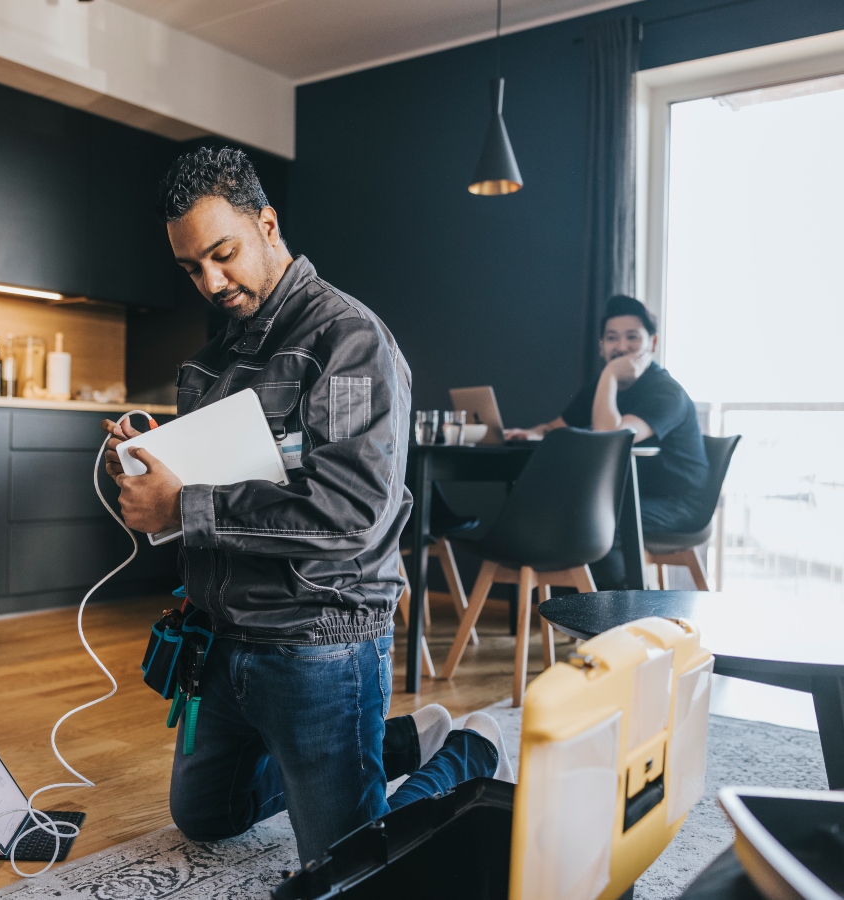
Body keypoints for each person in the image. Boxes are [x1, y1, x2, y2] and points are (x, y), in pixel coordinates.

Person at [100, 147, 513, 866]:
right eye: (192, 267)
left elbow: (349, 512)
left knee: (350, 872)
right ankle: (398, 743)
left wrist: (183, 506)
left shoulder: (348, 340)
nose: (211, 281)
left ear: (267, 223)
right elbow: (223, 486)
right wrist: (157, 468)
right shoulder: (214, 359)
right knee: (206, 816)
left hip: (320, 640)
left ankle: (469, 756)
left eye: (222, 254)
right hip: (223, 640)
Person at [506, 294, 709, 588]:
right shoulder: (602, 387)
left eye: (632, 338)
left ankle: (625, 613)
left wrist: (611, 374)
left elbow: (608, 439)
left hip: (680, 503)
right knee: (581, 511)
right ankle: (596, 608)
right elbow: (555, 426)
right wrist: (533, 433)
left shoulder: (666, 393)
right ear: (602, 345)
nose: (621, 347)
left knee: (601, 520)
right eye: (612, 338)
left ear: (653, 344)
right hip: (631, 497)